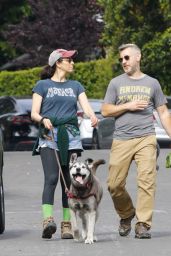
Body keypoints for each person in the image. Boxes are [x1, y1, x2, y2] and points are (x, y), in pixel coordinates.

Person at [101, 43, 171, 239]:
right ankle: (126, 214)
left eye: (126, 57)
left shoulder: (153, 83)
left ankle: (143, 224)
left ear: (138, 57)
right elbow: (106, 110)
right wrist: (128, 106)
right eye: (121, 59)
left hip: (146, 138)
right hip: (121, 139)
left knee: (147, 181)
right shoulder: (115, 83)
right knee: (114, 185)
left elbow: (163, 113)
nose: (123, 61)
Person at [31, 48, 98, 239]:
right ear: (58, 63)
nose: (73, 63)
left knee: (69, 182)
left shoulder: (76, 86)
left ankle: (67, 224)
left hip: (72, 138)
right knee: (52, 178)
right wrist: (43, 119)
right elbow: (34, 112)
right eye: (69, 60)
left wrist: (92, 117)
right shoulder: (42, 85)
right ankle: (48, 220)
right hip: (49, 137)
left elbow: (86, 108)